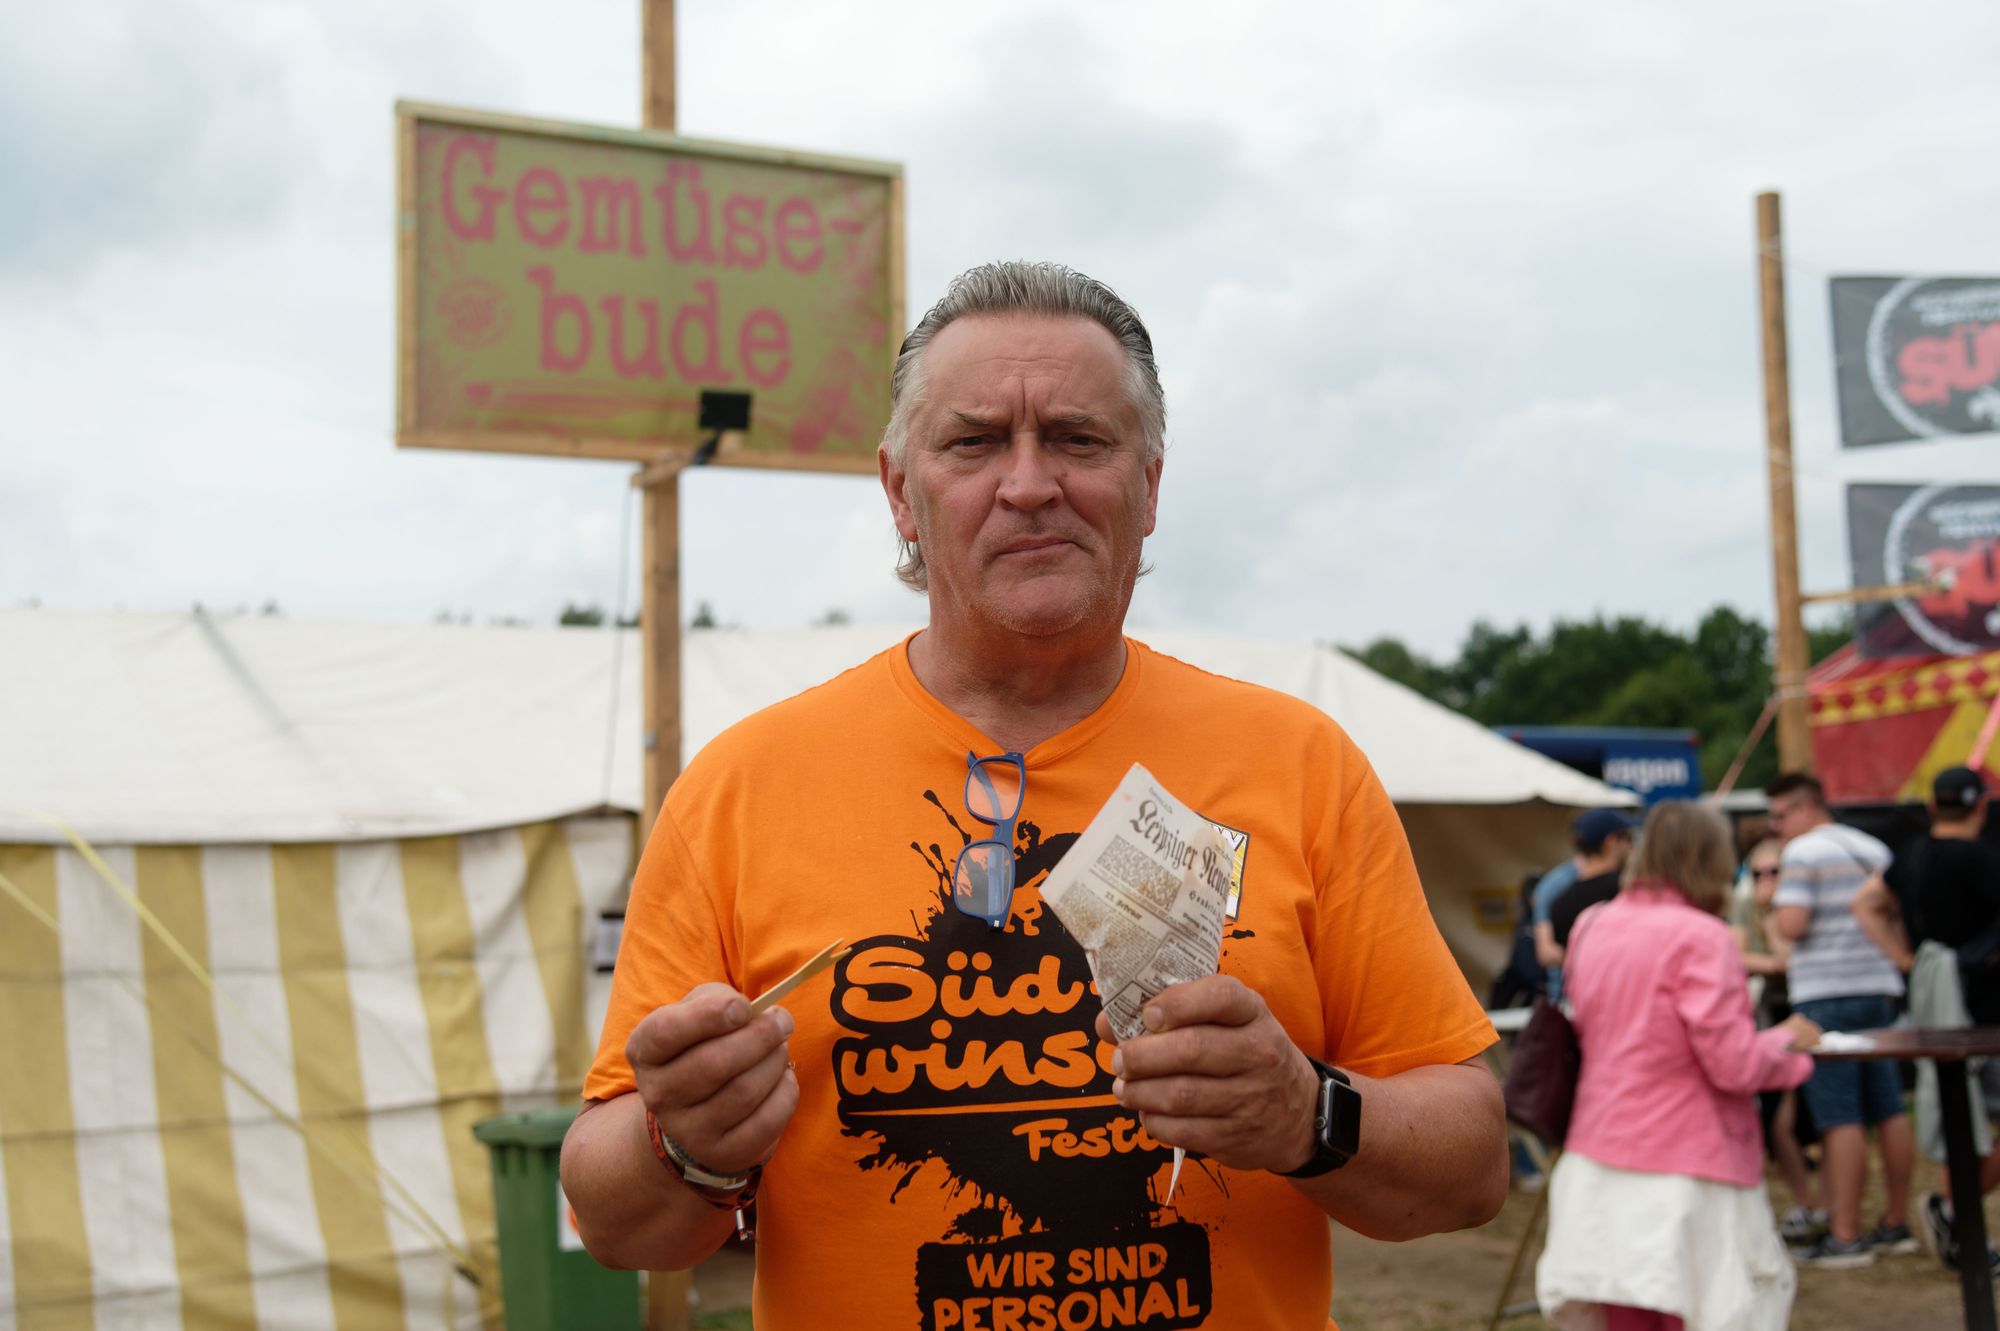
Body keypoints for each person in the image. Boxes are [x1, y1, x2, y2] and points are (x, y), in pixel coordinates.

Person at [558, 261, 1508, 1329]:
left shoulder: (1298, 763)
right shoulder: (743, 787)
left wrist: (1306, 1113)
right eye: (972, 443)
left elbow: (1474, 1161)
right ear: (899, 491)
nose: (1027, 483)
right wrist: (682, 1144)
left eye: (1076, 438)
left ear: (1149, 486)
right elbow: (613, 1219)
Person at [1536, 801, 1820, 1330]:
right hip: (1688, 1163)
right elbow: (1733, 1064)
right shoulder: (1702, 936)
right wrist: (1790, 1045)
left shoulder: (1592, 924)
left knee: (1623, 1313)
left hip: (1599, 1151)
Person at [1765, 771, 1917, 1268]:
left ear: (1806, 808)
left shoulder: (1802, 852)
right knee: (1888, 1106)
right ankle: (1895, 1222)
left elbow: (1793, 925)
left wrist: (1771, 912)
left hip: (1826, 993)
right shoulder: (1872, 848)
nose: (1776, 826)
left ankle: (1845, 1234)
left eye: (1780, 815)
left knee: (1839, 1114)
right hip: (1879, 986)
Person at [1852, 765, 2000, 1271]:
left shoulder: (1912, 855)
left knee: (1957, 1114)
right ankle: (1956, 1216)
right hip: (1982, 1011)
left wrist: (1908, 962)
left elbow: (1865, 903)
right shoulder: (1980, 858)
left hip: (1936, 1005)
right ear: (1981, 806)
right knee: (1966, 1115)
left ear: (1934, 806)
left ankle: (1958, 1224)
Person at [1730, 836, 1824, 1242]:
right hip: (1771, 1019)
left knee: (1821, 1117)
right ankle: (1807, 1203)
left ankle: (1826, 1206)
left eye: (1775, 871)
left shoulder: (1799, 905)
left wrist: (1772, 927)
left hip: (1807, 1017)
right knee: (1779, 1121)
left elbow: (1787, 957)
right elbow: (1741, 956)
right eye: (1757, 873)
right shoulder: (1744, 905)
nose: (1766, 880)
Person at [1545, 808, 1636, 956]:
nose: (1631, 846)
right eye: (1628, 838)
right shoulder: (1627, 891)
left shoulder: (1560, 903)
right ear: (1611, 842)